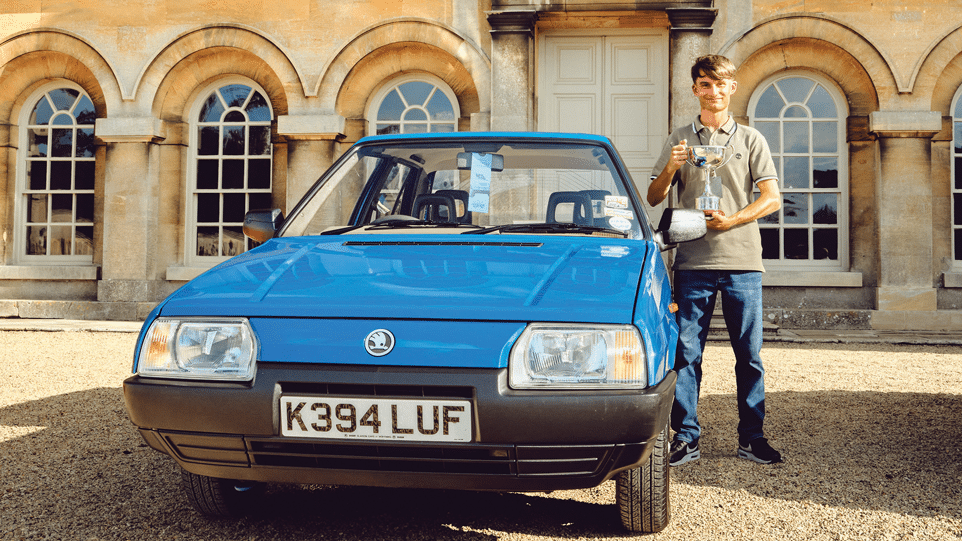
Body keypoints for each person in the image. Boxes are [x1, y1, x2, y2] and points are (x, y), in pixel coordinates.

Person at [648, 55, 783, 465]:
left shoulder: (750, 139)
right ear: (695, 90)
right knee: (686, 354)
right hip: (692, 261)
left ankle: (752, 437)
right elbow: (654, 198)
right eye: (705, 84)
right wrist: (671, 169)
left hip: (742, 261)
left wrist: (732, 221)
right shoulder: (680, 139)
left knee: (750, 354)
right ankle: (686, 438)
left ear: (732, 88)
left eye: (721, 84)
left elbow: (772, 199)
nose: (713, 91)